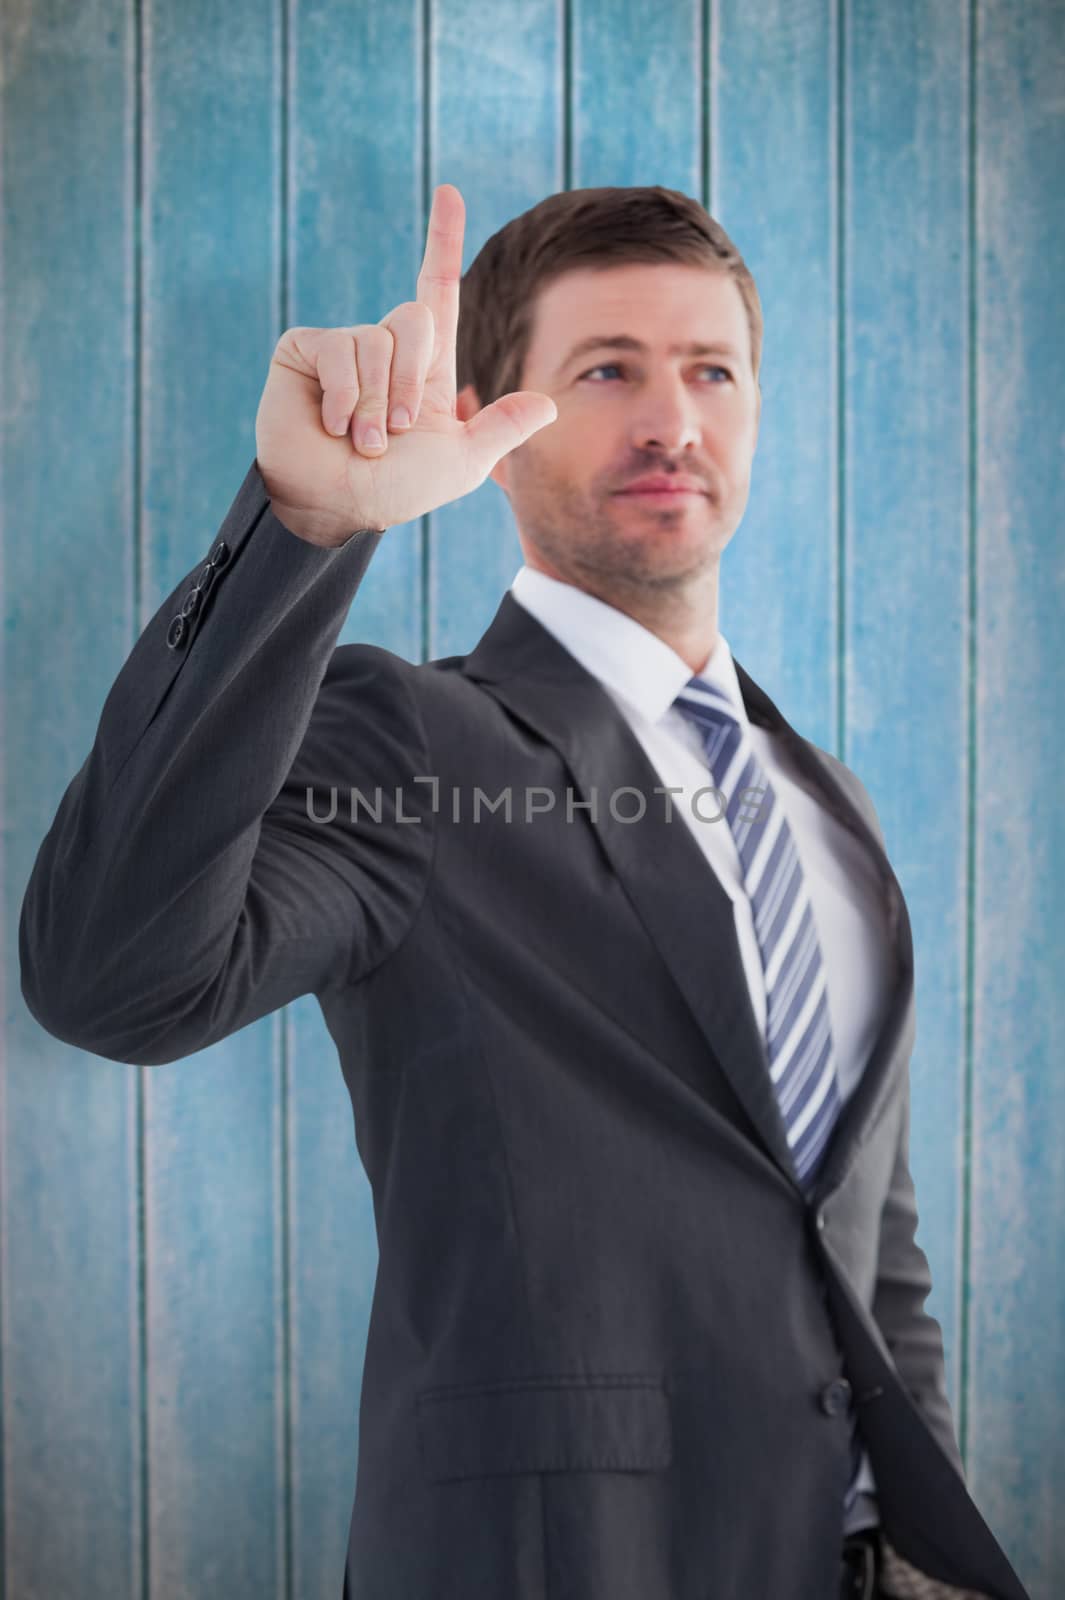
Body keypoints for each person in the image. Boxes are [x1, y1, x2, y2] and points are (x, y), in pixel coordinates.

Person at [19, 183, 1030, 1600]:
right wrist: (303, 531)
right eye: (605, 369)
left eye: (710, 370)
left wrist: (929, 1552)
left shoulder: (828, 806)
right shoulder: (411, 741)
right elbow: (113, 979)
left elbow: (870, 1244)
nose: (670, 419)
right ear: (492, 425)